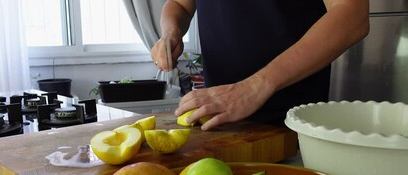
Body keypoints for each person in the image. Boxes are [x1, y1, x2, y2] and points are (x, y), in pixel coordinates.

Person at [151, 0, 369, 131]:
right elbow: (179, 4)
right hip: (217, 123)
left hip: (292, 127)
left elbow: (352, 14)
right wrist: (171, 33)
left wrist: (256, 86)